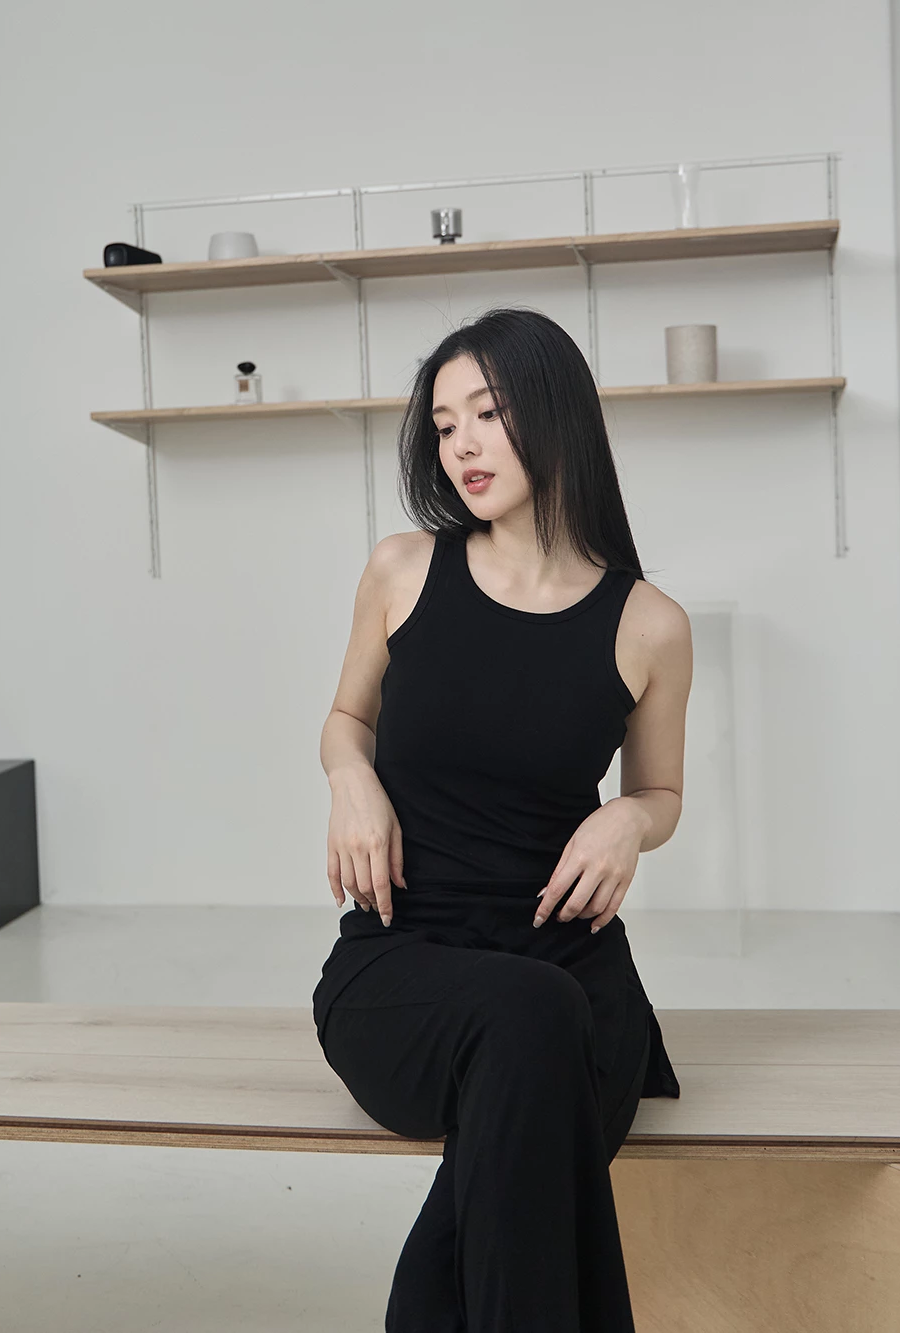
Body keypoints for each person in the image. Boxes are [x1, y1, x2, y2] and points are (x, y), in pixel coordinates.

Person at [311, 306, 693, 1332]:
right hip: (404, 965)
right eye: (444, 425)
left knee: (537, 1028)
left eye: (487, 412)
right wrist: (350, 777)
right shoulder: (402, 570)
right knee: (528, 1018)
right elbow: (348, 719)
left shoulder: (650, 623)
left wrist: (629, 820)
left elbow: (661, 794)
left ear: (556, 411)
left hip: (574, 974)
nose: (462, 445)